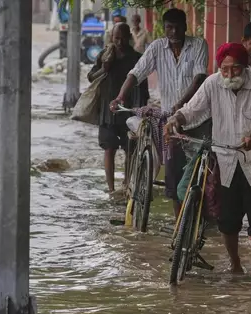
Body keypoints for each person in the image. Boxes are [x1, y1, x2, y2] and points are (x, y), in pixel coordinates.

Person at [164, 43, 251, 277]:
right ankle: (235, 265)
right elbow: (192, 109)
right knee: (228, 220)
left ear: (244, 67)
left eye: (235, 69)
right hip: (225, 161)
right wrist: (175, 119)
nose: (229, 74)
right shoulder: (213, 83)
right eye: (224, 69)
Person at [111, 8, 210, 218]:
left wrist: (181, 104)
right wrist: (120, 97)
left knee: (202, 171)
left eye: (177, 27)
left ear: (185, 27)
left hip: (198, 118)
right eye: (169, 28)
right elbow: (136, 73)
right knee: (174, 174)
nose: (173, 32)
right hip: (171, 122)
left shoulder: (198, 45)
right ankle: (179, 223)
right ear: (164, 29)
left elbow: (199, 78)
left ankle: (201, 218)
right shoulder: (157, 47)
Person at [87, 23, 148, 196]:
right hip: (108, 110)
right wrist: (104, 69)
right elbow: (91, 77)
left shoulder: (137, 58)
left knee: (130, 149)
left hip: (129, 109)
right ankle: (111, 189)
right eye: (116, 38)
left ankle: (128, 184)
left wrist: (141, 108)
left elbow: (143, 86)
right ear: (112, 37)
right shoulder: (105, 56)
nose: (119, 42)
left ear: (129, 36)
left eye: (122, 38)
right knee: (109, 148)